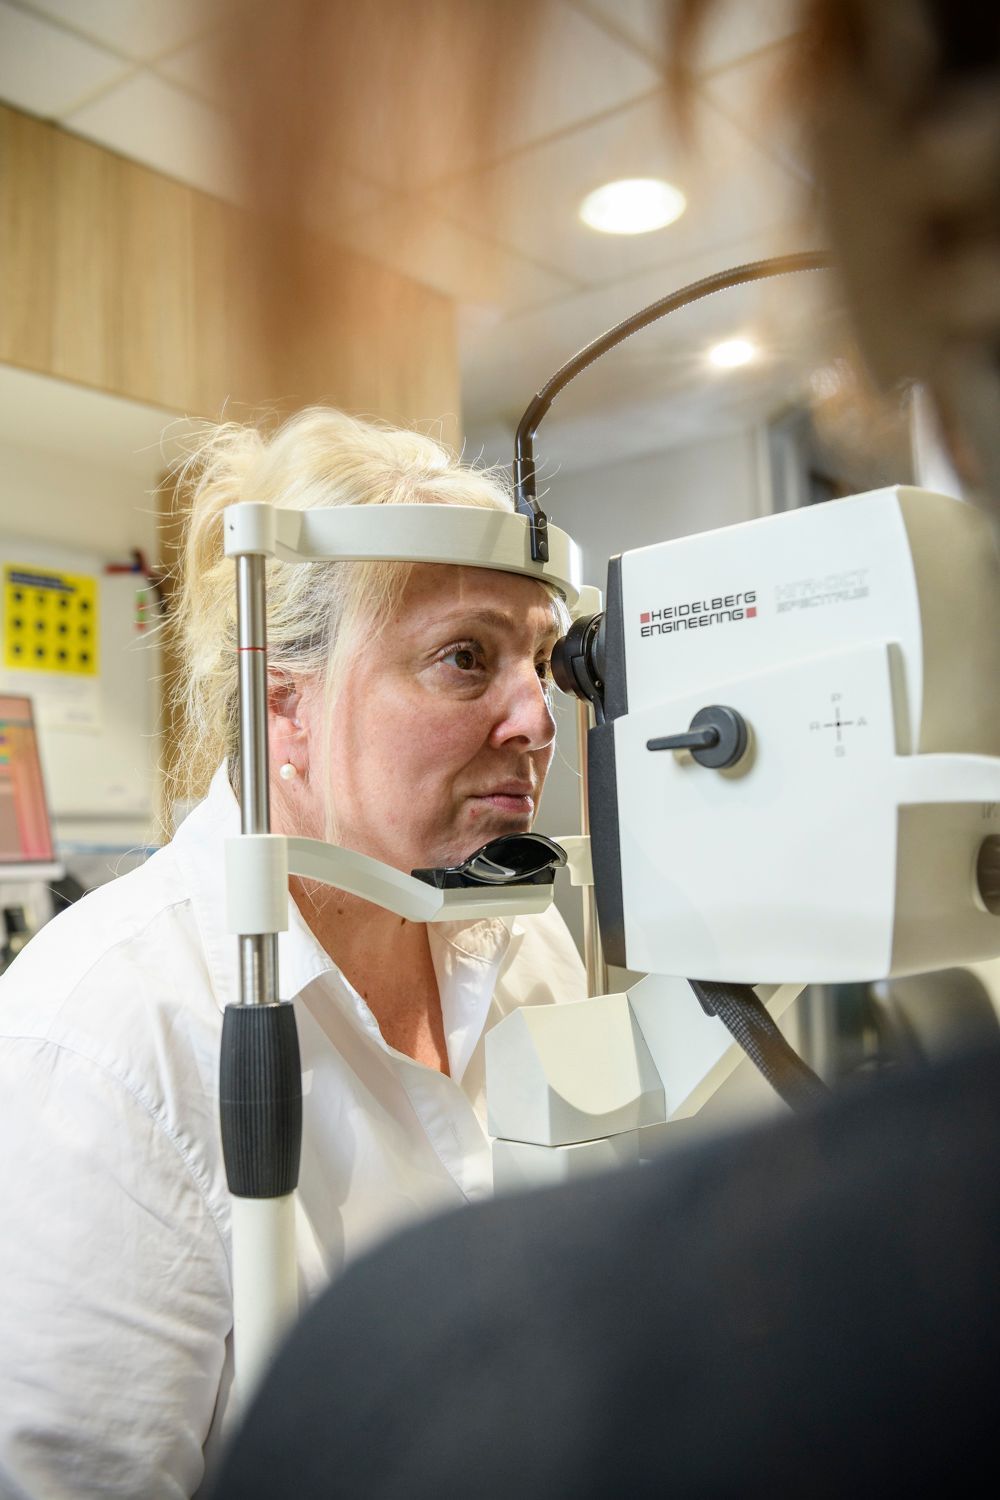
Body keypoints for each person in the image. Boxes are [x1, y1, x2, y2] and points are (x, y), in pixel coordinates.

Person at [0, 408, 586, 1500]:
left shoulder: (527, 942)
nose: (535, 717)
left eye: (542, 660)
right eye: (466, 659)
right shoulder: (99, 1041)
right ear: (288, 706)